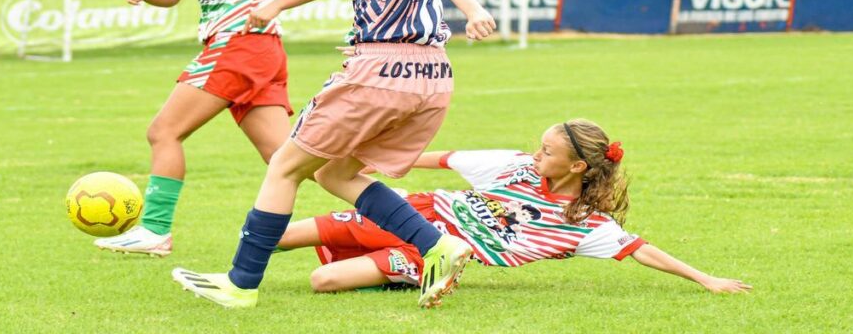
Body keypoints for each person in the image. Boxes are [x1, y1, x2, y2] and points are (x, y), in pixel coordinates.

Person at [171, 0, 497, 309]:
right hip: (433, 75)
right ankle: (437, 245)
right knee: (335, 171)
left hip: (382, 74)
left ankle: (240, 283)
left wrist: (474, 10)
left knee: (285, 165)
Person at [94, 0, 336, 257]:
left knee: (163, 131)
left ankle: (154, 231)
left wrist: (274, 4)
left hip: (240, 47)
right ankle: (394, 208)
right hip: (251, 52)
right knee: (286, 158)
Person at [272, 119, 752, 295]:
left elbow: (641, 249)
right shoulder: (516, 165)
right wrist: (370, 163)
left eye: (547, 151)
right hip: (411, 212)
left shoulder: (584, 224)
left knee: (324, 281)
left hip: (433, 249)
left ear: (578, 167)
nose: (536, 153)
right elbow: (438, 159)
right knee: (277, 237)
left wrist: (705, 279)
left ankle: (411, 274)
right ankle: (233, 278)